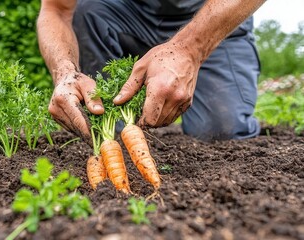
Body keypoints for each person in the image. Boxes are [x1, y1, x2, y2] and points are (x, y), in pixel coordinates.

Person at [37, 0, 265, 142]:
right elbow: (55, 9)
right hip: (124, 14)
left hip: (213, 17)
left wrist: (189, 49)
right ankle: (111, 138)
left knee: (221, 132)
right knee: (87, 9)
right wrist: (66, 72)